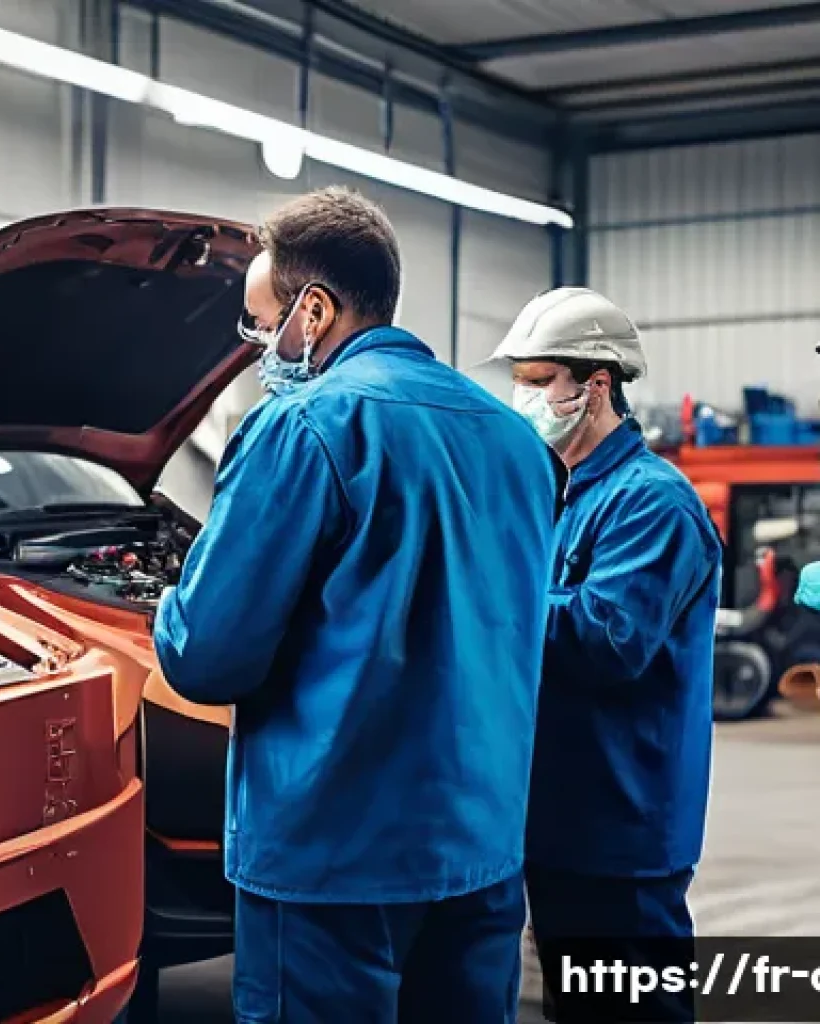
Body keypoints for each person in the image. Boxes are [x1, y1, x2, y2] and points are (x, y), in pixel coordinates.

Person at [152, 186, 565, 1023]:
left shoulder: (305, 427)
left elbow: (208, 656)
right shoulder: (517, 443)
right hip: (479, 847)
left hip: (331, 857)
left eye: (262, 324)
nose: (260, 346)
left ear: (313, 309)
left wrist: (167, 599)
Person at [488, 287, 723, 1022]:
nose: (520, 398)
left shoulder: (652, 503)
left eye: (535, 383)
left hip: (622, 830)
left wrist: (488, 597)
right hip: (560, 818)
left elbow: (606, 642)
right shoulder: (561, 496)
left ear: (594, 387)